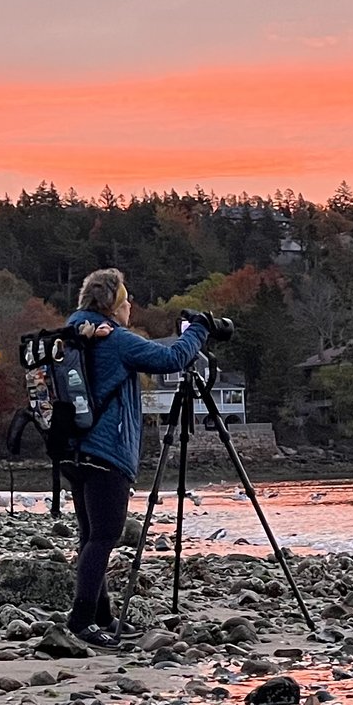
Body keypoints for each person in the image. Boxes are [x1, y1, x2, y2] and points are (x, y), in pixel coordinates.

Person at [62, 268, 208, 647]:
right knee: (105, 534)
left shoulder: (74, 333)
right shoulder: (116, 340)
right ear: (112, 305)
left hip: (73, 449)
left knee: (91, 534)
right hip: (107, 450)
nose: (131, 307)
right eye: (126, 301)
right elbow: (172, 358)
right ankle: (80, 621)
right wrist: (198, 329)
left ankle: (101, 616)